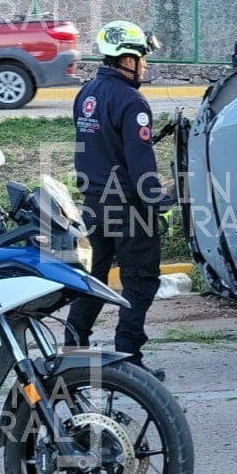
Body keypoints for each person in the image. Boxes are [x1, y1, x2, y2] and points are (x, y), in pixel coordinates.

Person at [64, 20, 168, 375]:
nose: (146, 64)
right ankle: (129, 360)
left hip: (93, 202)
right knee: (140, 279)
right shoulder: (132, 101)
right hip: (128, 208)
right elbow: (141, 165)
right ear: (127, 58)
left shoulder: (87, 94)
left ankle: (73, 352)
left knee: (92, 279)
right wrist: (160, 203)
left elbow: (96, 149)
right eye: (142, 57)